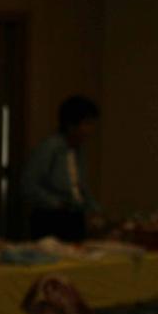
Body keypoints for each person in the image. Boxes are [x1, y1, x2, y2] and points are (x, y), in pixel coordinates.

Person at [21, 95, 101, 242]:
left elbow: (80, 187)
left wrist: (93, 209)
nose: (90, 130)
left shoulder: (78, 151)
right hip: (51, 218)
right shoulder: (50, 148)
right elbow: (29, 185)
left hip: (74, 216)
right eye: (87, 123)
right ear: (71, 125)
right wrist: (56, 203)